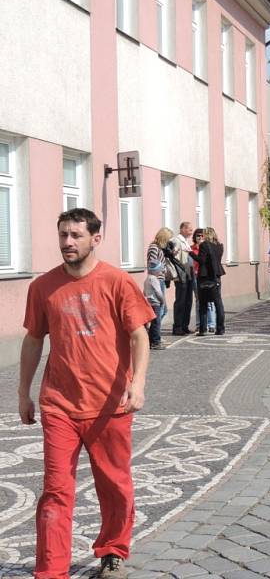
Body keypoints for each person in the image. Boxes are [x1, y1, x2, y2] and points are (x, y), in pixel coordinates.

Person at [18, 208, 154, 579]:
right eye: (63, 235)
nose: (67, 242)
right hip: (59, 404)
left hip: (110, 404)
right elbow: (33, 340)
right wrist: (23, 392)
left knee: (114, 486)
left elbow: (139, 335)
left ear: (96, 238)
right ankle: (51, 570)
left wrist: (137, 383)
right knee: (56, 490)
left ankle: (112, 551)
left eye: (76, 235)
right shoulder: (43, 287)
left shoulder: (117, 281)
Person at [196, 227, 225, 336]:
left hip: (205, 277)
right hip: (216, 276)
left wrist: (191, 253)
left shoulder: (204, 245)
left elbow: (201, 260)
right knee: (218, 303)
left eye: (203, 234)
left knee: (203, 303)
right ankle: (220, 328)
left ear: (206, 235)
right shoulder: (219, 246)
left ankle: (202, 329)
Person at [146, 228, 171, 344]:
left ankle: (154, 334)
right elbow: (153, 264)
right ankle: (154, 336)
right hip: (157, 279)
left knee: (162, 310)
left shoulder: (159, 248)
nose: (168, 241)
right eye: (168, 238)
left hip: (160, 279)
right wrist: (163, 269)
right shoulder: (154, 247)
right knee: (160, 310)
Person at [190, 228, 216, 333]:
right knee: (198, 301)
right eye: (198, 236)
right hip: (196, 276)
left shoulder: (207, 247)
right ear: (195, 238)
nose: (200, 238)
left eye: (202, 236)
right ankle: (199, 324)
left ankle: (211, 324)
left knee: (210, 301)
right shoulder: (192, 248)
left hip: (207, 276)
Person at [170, 221, 194, 335]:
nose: (191, 232)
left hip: (188, 273)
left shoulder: (186, 242)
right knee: (180, 300)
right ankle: (177, 326)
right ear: (183, 229)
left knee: (188, 300)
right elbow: (173, 256)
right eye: (189, 229)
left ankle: (185, 325)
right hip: (181, 273)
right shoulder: (176, 240)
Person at [144, 260, 167, 350]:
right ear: (155, 270)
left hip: (148, 303)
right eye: (160, 271)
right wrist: (162, 300)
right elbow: (158, 292)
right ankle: (156, 342)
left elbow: (144, 292)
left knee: (152, 323)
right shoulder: (154, 279)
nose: (160, 273)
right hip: (155, 303)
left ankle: (150, 341)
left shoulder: (147, 279)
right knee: (156, 323)